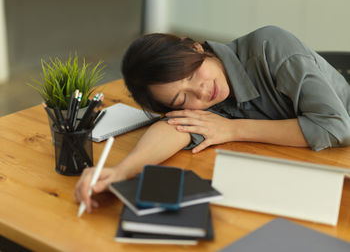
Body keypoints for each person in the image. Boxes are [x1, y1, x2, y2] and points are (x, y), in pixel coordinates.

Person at [74, 25, 350, 212]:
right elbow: (173, 127)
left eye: (192, 75)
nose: (201, 92)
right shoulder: (205, 103)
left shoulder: (270, 46)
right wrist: (121, 172)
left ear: (195, 48)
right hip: (295, 174)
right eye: (182, 100)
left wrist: (233, 129)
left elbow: (335, 128)